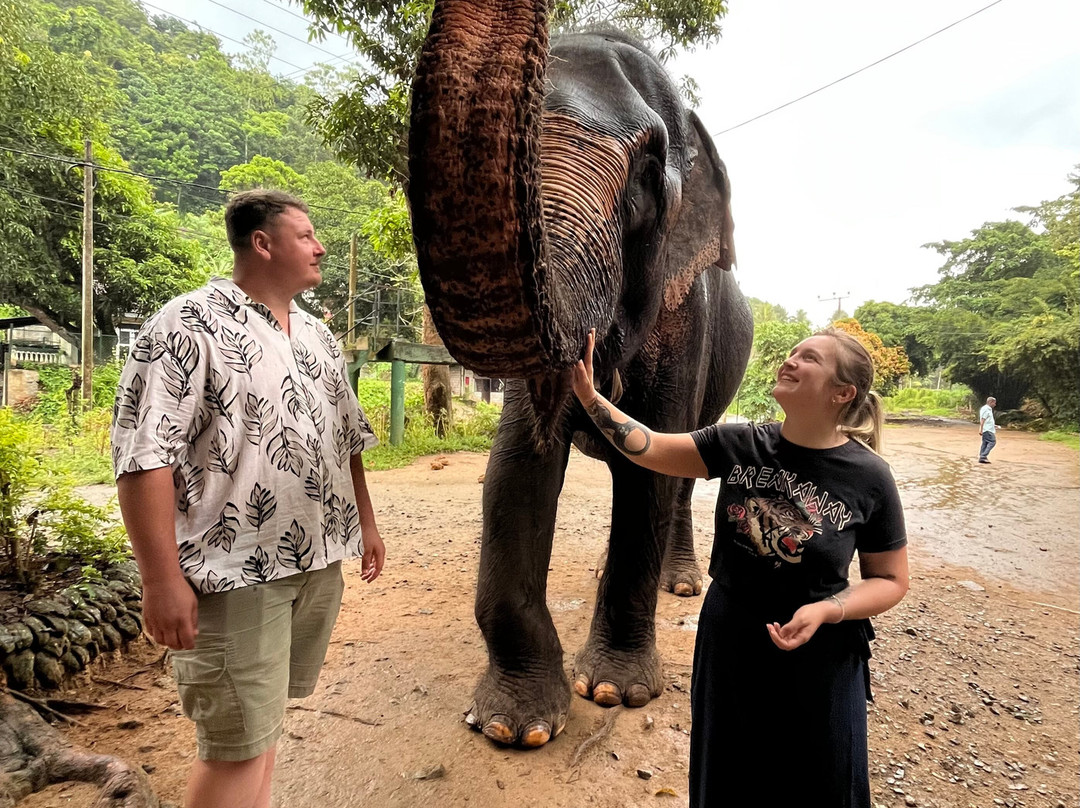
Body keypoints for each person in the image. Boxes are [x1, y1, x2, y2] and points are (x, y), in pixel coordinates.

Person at [110, 190, 385, 808]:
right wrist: (160, 580)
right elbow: (143, 455)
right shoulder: (186, 324)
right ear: (263, 244)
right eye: (308, 236)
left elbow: (348, 438)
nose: (319, 249)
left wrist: (365, 525)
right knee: (234, 747)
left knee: (261, 731)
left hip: (316, 563)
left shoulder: (318, 336)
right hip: (235, 574)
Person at [571, 326, 909, 808]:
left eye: (808, 358)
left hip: (820, 650)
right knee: (726, 771)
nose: (790, 360)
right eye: (792, 353)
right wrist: (589, 395)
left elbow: (891, 580)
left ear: (842, 392)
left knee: (821, 779)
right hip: (731, 637)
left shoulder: (870, 475)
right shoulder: (740, 444)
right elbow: (646, 445)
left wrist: (827, 610)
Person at [979, 396, 998, 463]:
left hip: (988, 428)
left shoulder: (986, 409)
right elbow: (982, 419)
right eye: (994, 403)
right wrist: (980, 429)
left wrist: (993, 426)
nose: (995, 405)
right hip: (987, 430)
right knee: (992, 442)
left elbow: (987, 420)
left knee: (985, 443)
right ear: (990, 402)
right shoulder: (986, 409)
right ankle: (983, 456)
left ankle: (982, 456)